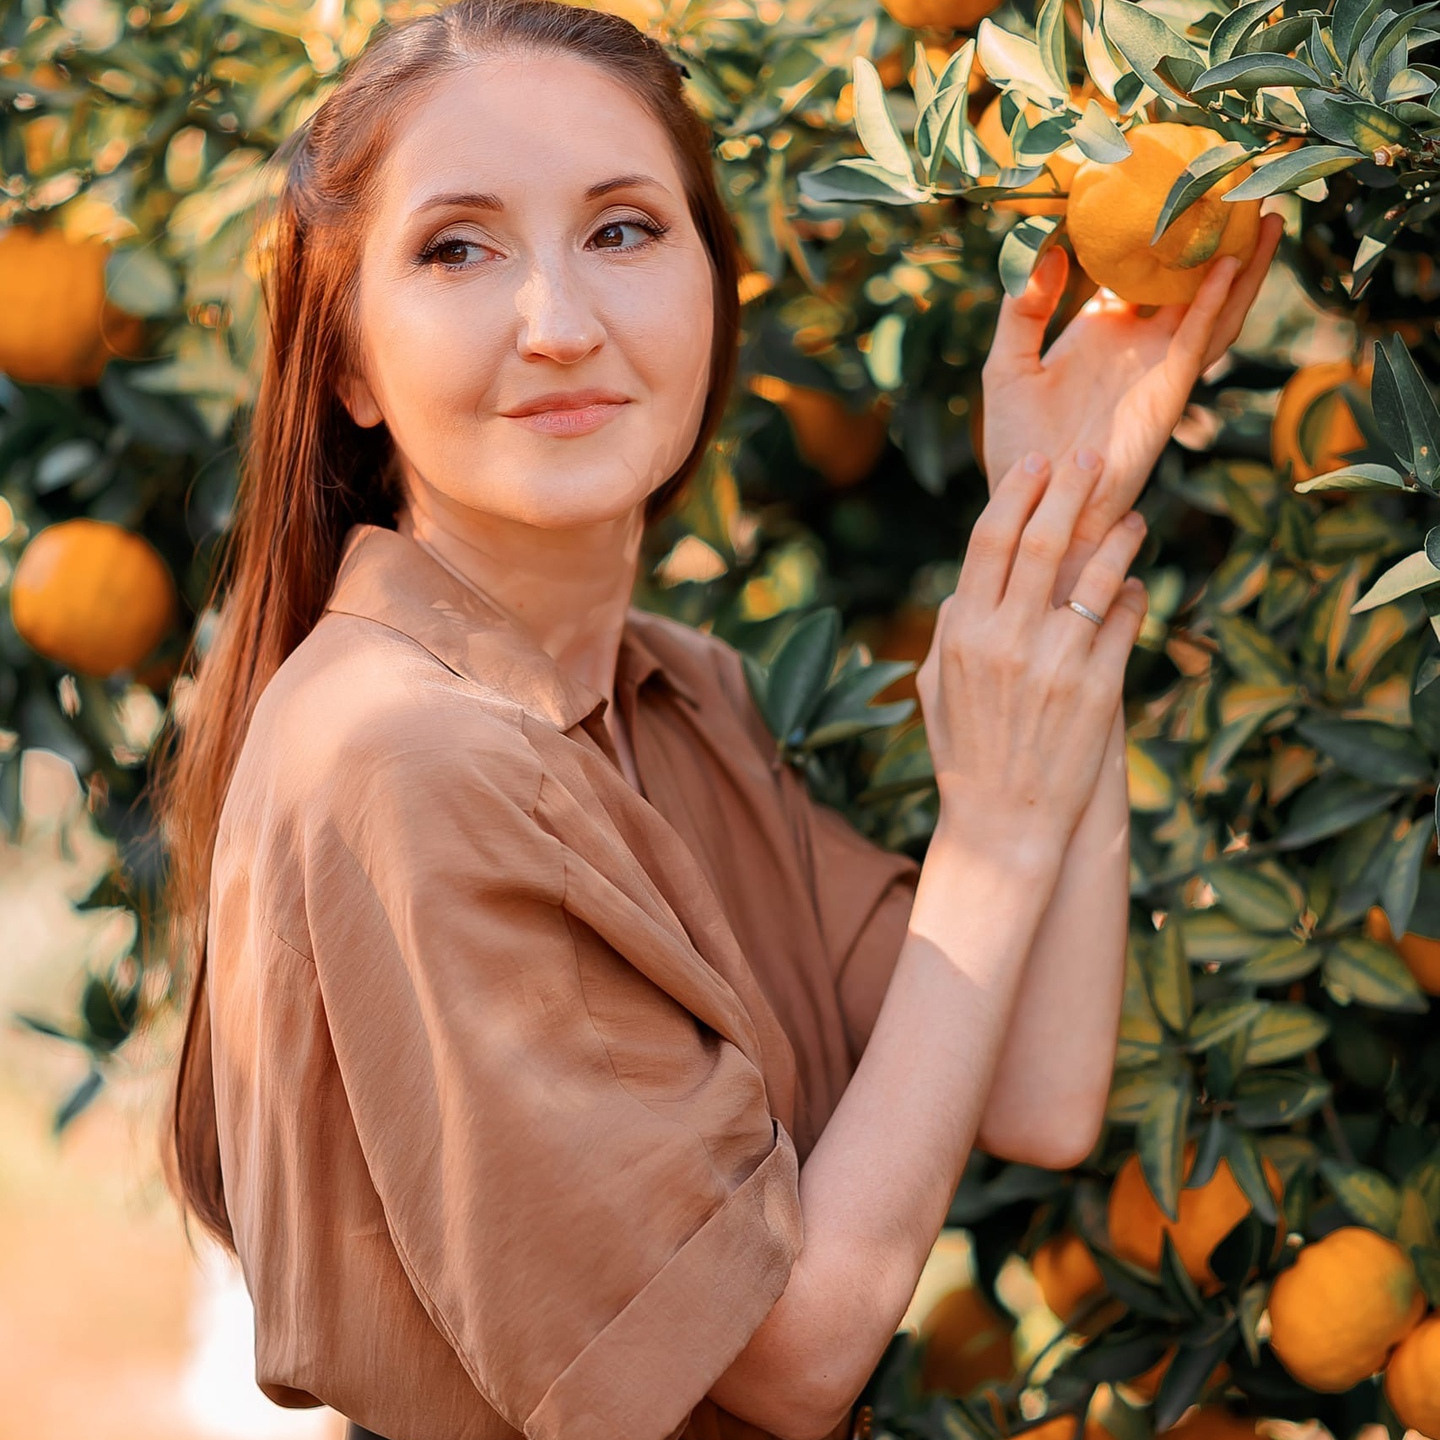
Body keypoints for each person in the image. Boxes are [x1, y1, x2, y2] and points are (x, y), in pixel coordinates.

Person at [149, 2, 1283, 1437]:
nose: (560, 325)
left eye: (623, 231)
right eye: (457, 247)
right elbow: (790, 1356)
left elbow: (1040, 1090)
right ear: (351, 363)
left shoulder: (680, 693)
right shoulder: (401, 754)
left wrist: (1058, 534)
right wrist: (991, 832)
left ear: (713, 288)